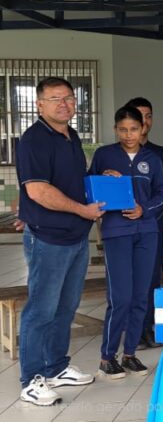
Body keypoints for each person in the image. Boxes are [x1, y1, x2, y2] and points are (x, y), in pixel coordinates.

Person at [16, 77, 104, 406]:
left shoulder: (71, 135)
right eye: (55, 99)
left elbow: (70, 180)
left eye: (68, 98)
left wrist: (97, 183)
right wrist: (82, 209)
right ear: (40, 105)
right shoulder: (33, 139)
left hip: (75, 236)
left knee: (66, 308)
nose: (64, 104)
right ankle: (31, 379)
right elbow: (38, 190)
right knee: (41, 310)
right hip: (48, 237)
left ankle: (56, 367)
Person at [89, 106, 163, 378]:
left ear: (143, 128)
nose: (128, 134)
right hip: (116, 231)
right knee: (120, 296)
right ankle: (107, 357)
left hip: (146, 231)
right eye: (122, 129)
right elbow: (89, 189)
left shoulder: (153, 159)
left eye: (133, 129)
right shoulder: (104, 155)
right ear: (115, 129)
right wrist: (103, 179)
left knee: (140, 296)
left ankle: (130, 353)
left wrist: (143, 210)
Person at [124, 96, 163, 350]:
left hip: (152, 226)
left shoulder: (161, 154)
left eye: (148, 116)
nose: (144, 121)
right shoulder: (113, 153)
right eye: (138, 115)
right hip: (121, 229)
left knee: (152, 279)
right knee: (127, 281)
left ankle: (148, 328)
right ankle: (130, 330)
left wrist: (148, 215)